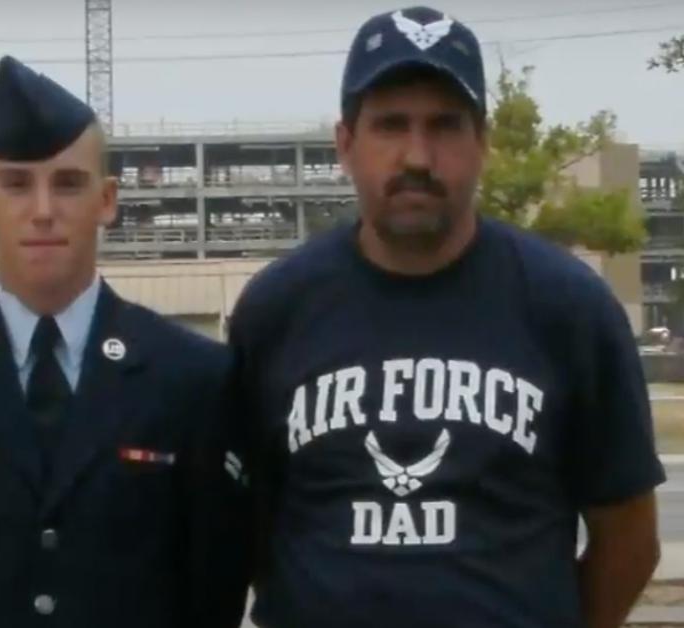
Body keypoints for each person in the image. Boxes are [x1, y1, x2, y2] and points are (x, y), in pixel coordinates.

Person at [229, 6, 664, 628]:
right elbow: (246, 527)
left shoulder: (568, 307)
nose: (417, 156)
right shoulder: (277, 310)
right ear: (345, 144)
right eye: (390, 125)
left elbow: (629, 538)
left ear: (482, 141)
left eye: (445, 126)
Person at [0, 55, 250, 628]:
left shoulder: (191, 379)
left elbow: (214, 585)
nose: (43, 211)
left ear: (107, 200)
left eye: (68, 184)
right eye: (17, 184)